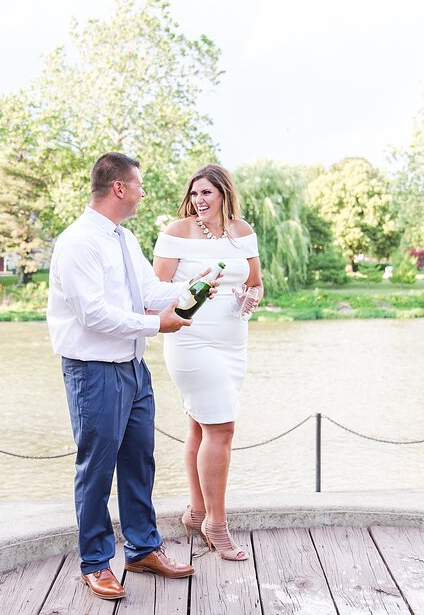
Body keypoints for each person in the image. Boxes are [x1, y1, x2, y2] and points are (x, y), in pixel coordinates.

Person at [47, 152, 215, 600]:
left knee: (140, 462)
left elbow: (148, 291)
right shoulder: (79, 242)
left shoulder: (123, 239)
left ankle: (142, 549)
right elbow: (93, 315)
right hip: (93, 371)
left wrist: (194, 285)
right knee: (96, 470)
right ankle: (96, 563)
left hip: (133, 370)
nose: (143, 192)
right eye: (138, 184)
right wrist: (158, 324)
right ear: (119, 187)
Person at [152, 164, 263, 562]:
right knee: (223, 429)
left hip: (233, 341)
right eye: (195, 193)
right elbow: (155, 292)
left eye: (207, 194)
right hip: (191, 339)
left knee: (201, 426)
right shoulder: (176, 233)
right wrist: (190, 288)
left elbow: (255, 281)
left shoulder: (243, 231)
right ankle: (217, 523)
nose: (199, 201)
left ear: (224, 194)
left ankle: (197, 511)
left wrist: (252, 297)